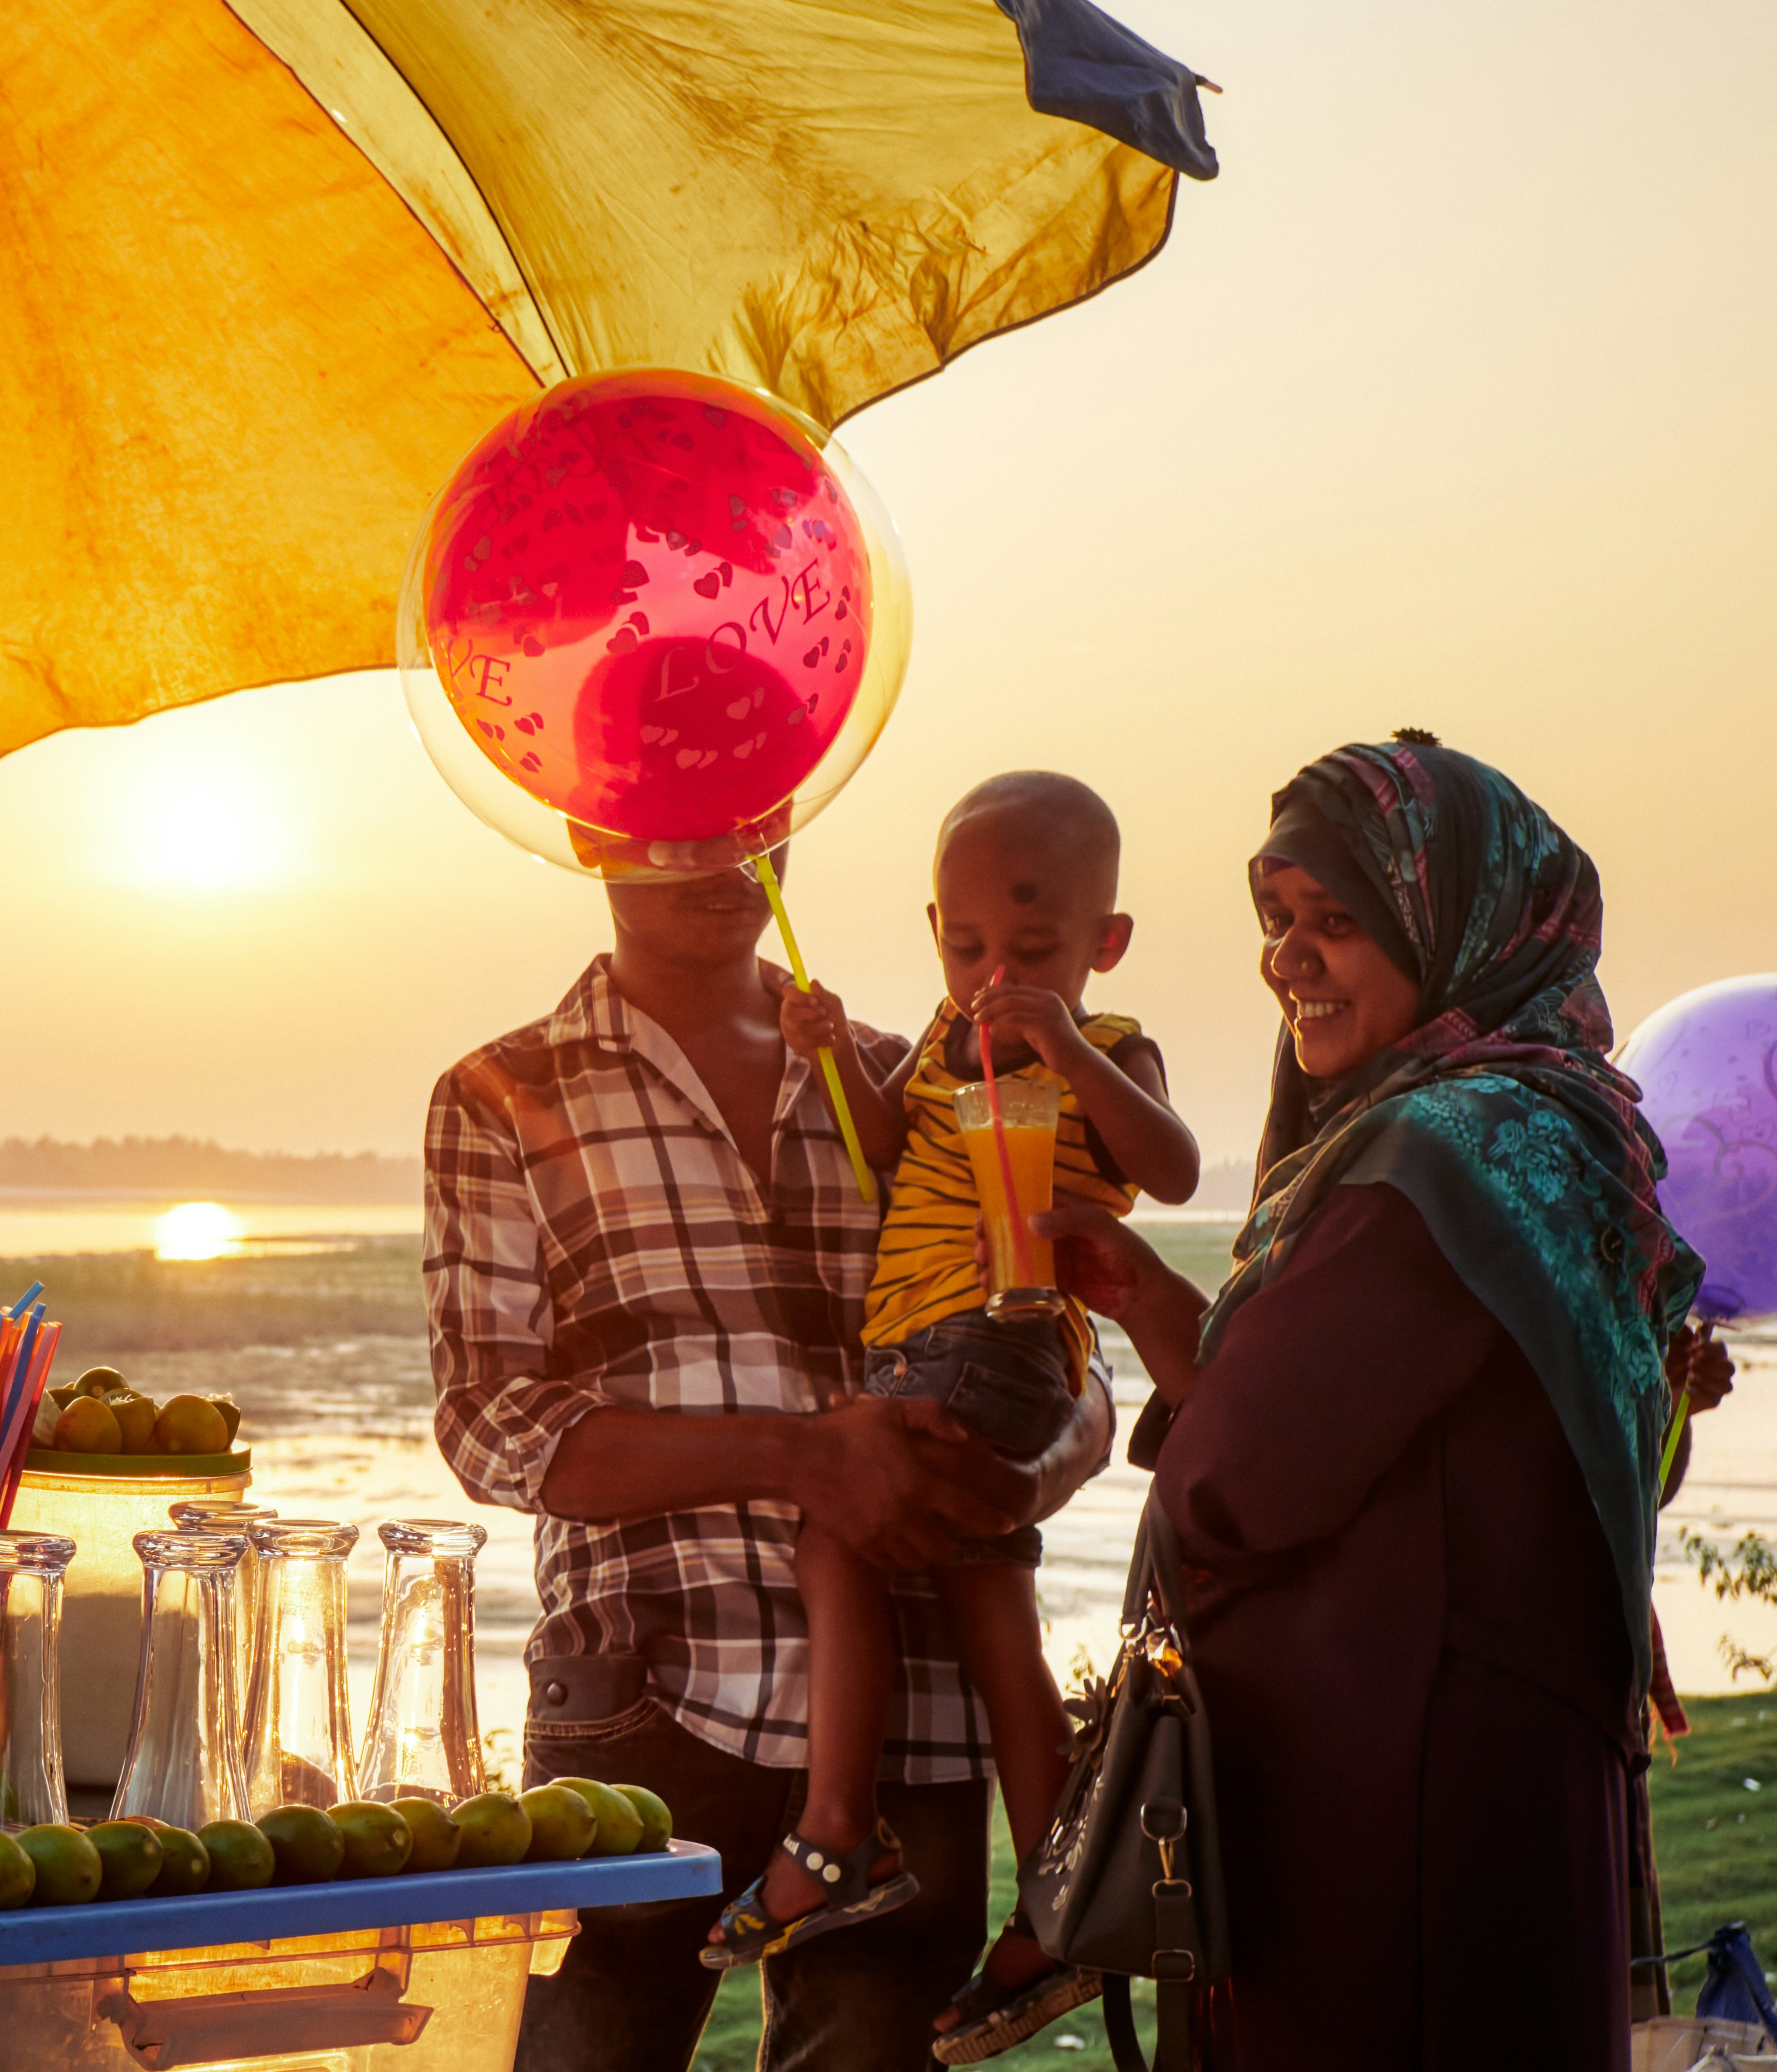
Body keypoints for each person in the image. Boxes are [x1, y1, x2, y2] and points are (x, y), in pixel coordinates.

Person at [1038, 734, 1697, 2069]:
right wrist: (1149, 1301)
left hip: (1391, 1810)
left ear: (1450, 923)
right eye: (1276, 919)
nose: (1285, 957)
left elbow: (1244, 1475)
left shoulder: (1442, 1155)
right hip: (1481, 1785)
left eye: (1334, 921)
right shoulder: (1549, 1132)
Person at [424, 851, 1115, 2072]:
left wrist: (1038, 1473)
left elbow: (1063, 1341)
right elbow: (487, 1422)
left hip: (917, 1710)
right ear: (592, 825)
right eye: (674, 816)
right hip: (644, 1701)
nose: (722, 848)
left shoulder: (916, 1077)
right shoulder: (499, 1090)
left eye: (755, 808)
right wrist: (798, 1457)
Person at [720, 774, 1196, 2059]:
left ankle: (833, 1828)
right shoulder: (938, 1042)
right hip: (924, 1335)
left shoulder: (1107, 1046)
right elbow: (886, 1149)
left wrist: (1071, 1045)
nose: (994, 974)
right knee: (994, 1623)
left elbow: (1170, 1167)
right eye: (967, 944)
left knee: (833, 1530)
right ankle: (1057, 1907)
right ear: (934, 927)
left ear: (1103, 943)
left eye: (1032, 951)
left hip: (992, 1328)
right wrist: (830, 1050)